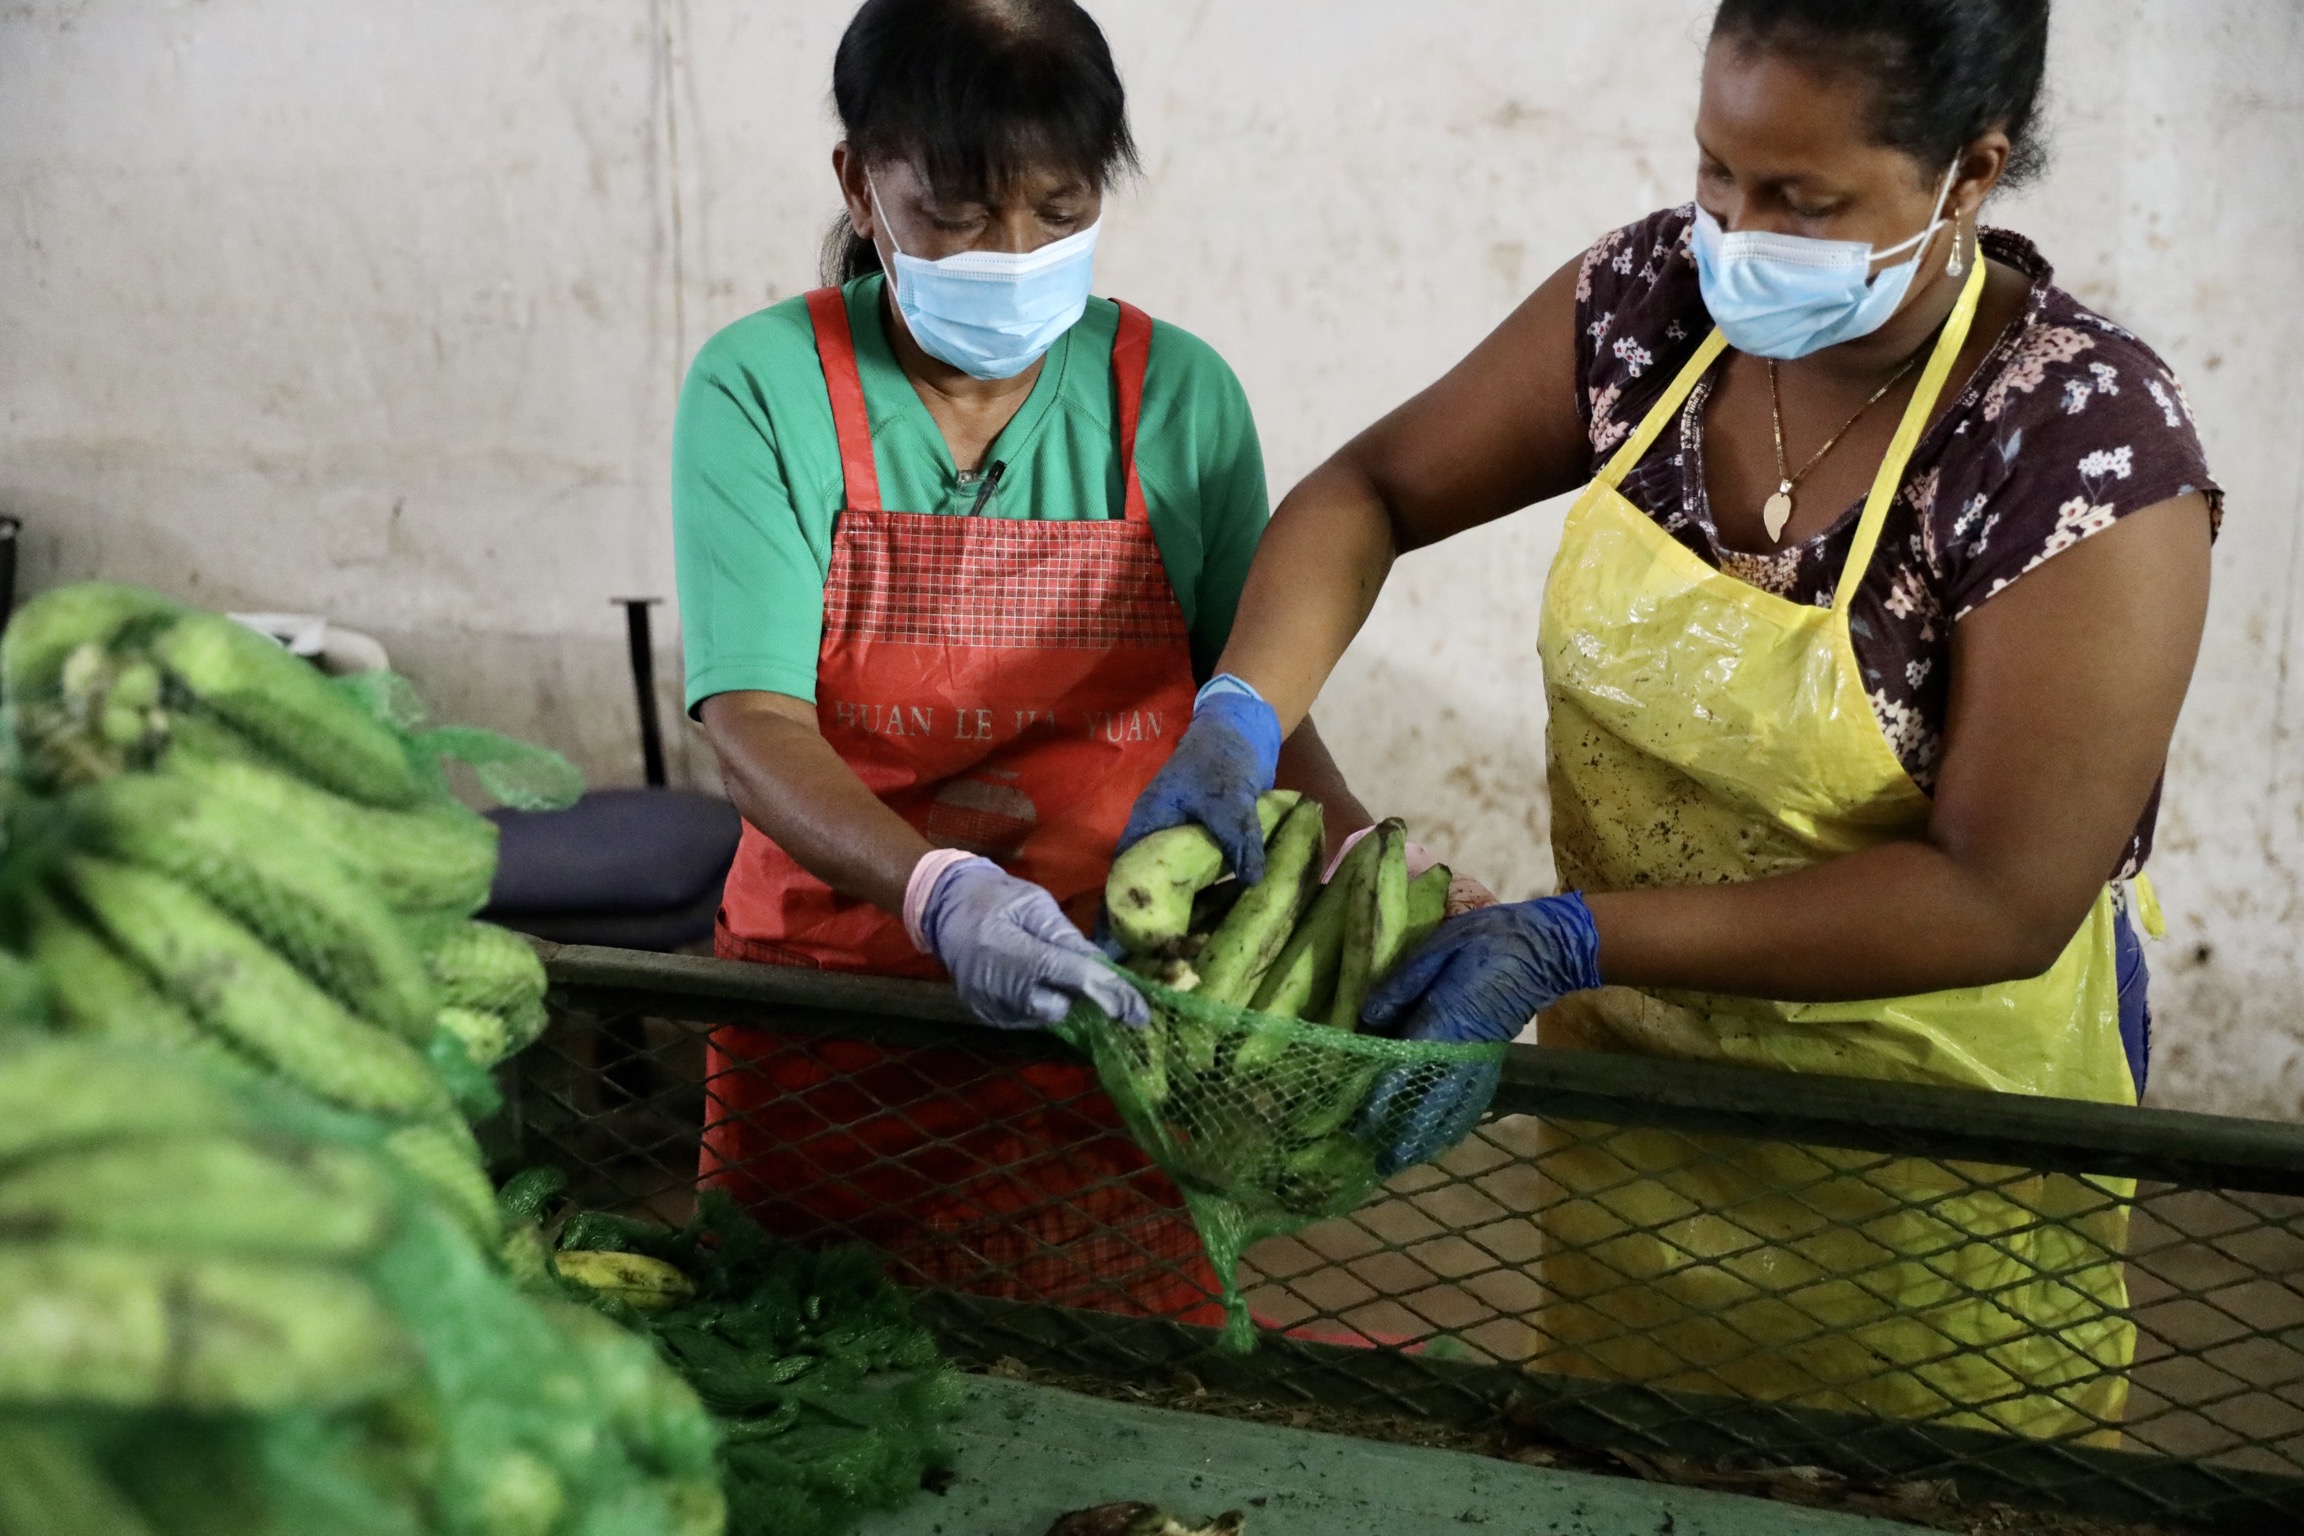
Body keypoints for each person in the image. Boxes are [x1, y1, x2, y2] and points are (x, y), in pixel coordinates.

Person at [1123, 0, 2215, 1435]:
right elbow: (1371, 492)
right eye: (1717, 171)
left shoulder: (2074, 442)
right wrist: (1240, 716)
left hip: (1927, 1158)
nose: (1737, 230)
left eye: (1803, 200)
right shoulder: (1654, 306)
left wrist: (1570, 938)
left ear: (1971, 170)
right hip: (1635, 1122)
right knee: (1632, 1457)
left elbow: (1998, 896)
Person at [671, 0, 1366, 1323]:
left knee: (1117, 1385)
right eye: (955, 216)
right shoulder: (763, 387)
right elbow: (755, 724)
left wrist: (1354, 857)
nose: (1014, 258)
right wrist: (938, 895)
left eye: (1060, 212)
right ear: (860, 186)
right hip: (832, 1012)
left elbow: (1255, 700)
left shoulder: (1180, 397)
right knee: (800, 1355)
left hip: (1121, 1012)